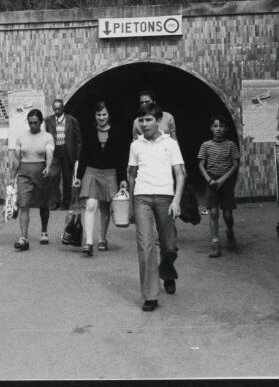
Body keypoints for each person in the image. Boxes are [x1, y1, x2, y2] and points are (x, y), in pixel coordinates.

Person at [127, 102, 185, 312]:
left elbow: (180, 174)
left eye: (148, 119)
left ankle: (167, 269)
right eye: (141, 120)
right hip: (142, 197)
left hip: (165, 198)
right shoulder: (136, 145)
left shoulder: (170, 143)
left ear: (158, 120)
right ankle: (150, 295)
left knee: (169, 246)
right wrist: (132, 203)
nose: (143, 124)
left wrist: (176, 200)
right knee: (145, 246)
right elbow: (131, 174)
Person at [73, 101, 128, 256]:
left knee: (105, 207)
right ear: (94, 116)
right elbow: (83, 156)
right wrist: (78, 177)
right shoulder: (89, 131)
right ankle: (89, 242)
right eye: (98, 115)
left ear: (109, 115)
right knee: (90, 205)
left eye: (104, 114)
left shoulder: (117, 132)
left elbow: (121, 157)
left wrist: (122, 178)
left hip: (110, 173)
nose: (101, 117)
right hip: (91, 172)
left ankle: (102, 239)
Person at [197, 114, 241, 258]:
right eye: (215, 126)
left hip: (226, 182)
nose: (218, 129)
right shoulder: (206, 145)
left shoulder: (231, 145)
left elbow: (235, 165)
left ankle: (230, 232)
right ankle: (215, 244)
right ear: (211, 128)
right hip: (211, 181)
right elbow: (201, 164)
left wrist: (223, 179)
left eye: (221, 126)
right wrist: (209, 180)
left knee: (228, 215)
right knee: (214, 213)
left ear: (226, 128)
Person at [13, 108, 56, 250]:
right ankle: (23, 238)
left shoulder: (47, 137)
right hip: (24, 172)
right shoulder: (21, 137)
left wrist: (48, 167)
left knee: (44, 204)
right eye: (30, 123)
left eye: (35, 123)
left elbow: (49, 152)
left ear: (41, 122)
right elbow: (17, 159)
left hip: (41, 171)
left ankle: (44, 231)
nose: (33, 126)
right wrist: (11, 177)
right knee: (23, 205)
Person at [44, 98, 82, 210]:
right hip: (54, 151)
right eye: (54, 109)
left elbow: (79, 139)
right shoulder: (48, 121)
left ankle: (66, 203)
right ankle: (56, 201)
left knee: (67, 177)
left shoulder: (72, 120)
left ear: (63, 108)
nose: (56, 111)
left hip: (67, 151)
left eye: (58, 109)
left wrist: (77, 156)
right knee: (53, 177)